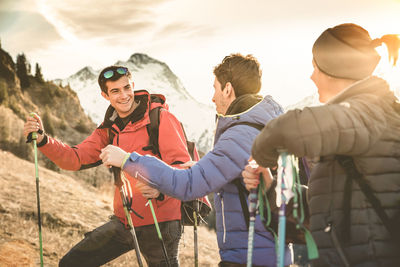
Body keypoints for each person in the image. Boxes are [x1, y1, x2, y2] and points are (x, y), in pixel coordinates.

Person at [100, 53, 292, 266]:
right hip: (270, 252)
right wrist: (202, 167)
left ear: (227, 89)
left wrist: (128, 160)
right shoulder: (266, 127)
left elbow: (189, 185)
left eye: (215, 88)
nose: (212, 97)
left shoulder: (240, 134)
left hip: (249, 256)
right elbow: (241, 175)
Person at [242, 23, 400, 266]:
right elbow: (328, 213)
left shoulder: (371, 111)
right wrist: (270, 184)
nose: (311, 75)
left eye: (315, 67)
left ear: (333, 69)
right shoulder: (360, 124)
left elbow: (286, 130)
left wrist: (263, 154)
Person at [23, 66, 191, 267]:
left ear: (133, 86)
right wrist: (43, 140)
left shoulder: (160, 118)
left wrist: (159, 188)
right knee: (72, 263)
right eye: (115, 91)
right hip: (125, 221)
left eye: (126, 88)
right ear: (105, 95)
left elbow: (184, 166)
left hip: (161, 223)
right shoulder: (109, 130)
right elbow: (74, 158)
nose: (124, 95)